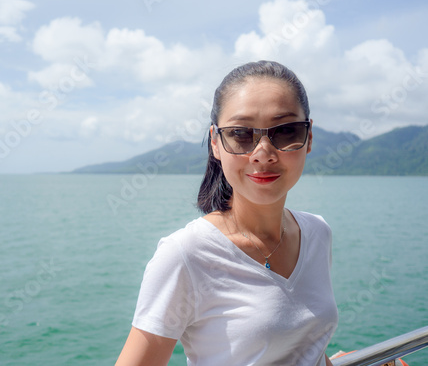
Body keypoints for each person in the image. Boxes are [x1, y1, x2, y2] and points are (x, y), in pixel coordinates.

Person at [116, 60, 338, 366]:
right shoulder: (186, 255)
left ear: (309, 137)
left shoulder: (317, 233)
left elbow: (302, 346)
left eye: (285, 131)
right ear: (215, 143)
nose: (263, 153)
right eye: (240, 134)